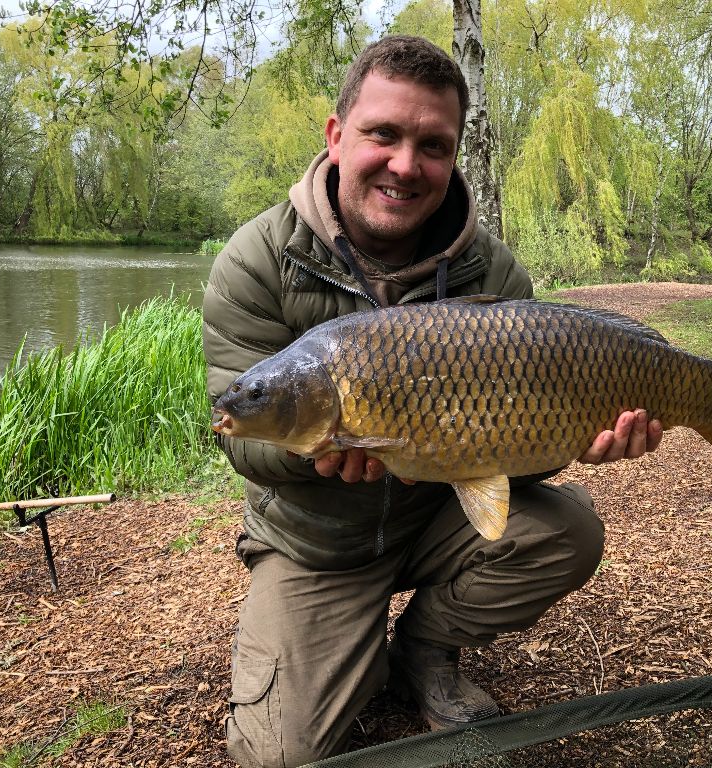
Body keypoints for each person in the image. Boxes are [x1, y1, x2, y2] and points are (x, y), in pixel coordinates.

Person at [202, 35, 663, 768]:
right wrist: (315, 460)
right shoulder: (257, 260)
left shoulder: (493, 268)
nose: (406, 165)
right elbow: (239, 433)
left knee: (569, 529)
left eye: (434, 145)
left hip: (438, 512)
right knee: (279, 758)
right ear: (336, 134)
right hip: (318, 547)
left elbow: (514, 457)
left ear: (454, 156)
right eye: (383, 133)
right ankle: (343, 642)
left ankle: (426, 646)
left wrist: (577, 438)